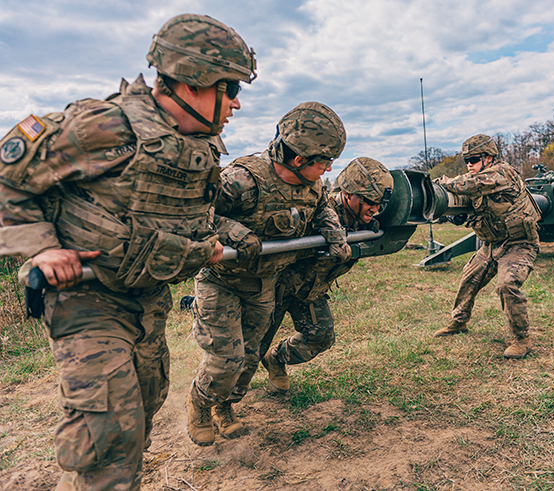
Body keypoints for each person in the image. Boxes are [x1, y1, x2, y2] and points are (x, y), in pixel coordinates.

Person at [0, 13, 256, 491]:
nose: (237, 102)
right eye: (229, 86)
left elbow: (180, 219)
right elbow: (7, 178)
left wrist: (207, 246)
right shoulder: (105, 125)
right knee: (109, 437)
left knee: (142, 409)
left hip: (146, 300)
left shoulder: (196, 145)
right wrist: (40, 249)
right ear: (190, 82)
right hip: (87, 301)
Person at [187, 102, 351, 446]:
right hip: (223, 282)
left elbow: (321, 210)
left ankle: (225, 407)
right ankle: (200, 404)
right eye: (324, 162)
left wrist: (333, 232)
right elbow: (194, 213)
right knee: (225, 359)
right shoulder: (243, 179)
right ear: (298, 159)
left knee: (248, 357)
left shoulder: (314, 185)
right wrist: (234, 232)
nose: (328, 169)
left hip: (264, 285)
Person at [260, 157, 394, 392]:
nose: (375, 208)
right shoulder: (320, 210)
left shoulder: (365, 219)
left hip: (310, 288)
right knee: (252, 348)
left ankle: (276, 359)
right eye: (370, 201)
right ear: (349, 193)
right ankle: (219, 403)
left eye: (380, 202)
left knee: (321, 336)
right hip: (277, 285)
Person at [433, 134, 541, 359]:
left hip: (519, 244)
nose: (470, 165)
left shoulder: (502, 172)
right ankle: (459, 322)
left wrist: (444, 182)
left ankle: (522, 338)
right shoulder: (477, 179)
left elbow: (471, 184)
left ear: (489, 157)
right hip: (492, 244)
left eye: (473, 159)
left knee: (506, 285)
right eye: (467, 161)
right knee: (469, 278)